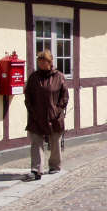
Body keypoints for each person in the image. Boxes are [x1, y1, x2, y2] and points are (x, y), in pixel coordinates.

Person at [23, 50, 69, 181]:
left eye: (43, 62)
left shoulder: (59, 77)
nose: (41, 64)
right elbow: (28, 96)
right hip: (36, 116)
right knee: (36, 142)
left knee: (55, 142)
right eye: (39, 61)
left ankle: (54, 166)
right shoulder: (34, 77)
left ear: (50, 63)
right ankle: (36, 170)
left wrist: (57, 110)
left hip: (55, 116)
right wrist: (32, 111)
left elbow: (64, 97)